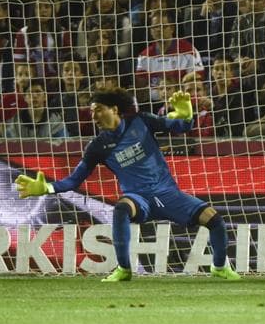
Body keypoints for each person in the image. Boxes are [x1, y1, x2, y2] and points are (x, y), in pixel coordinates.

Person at [15, 87, 241, 281]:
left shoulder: (140, 121)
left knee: (215, 221)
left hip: (168, 194)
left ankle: (219, 267)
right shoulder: (97, 146)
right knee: (121, 209)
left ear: (114, 109)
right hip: (138, 198)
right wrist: (48, 188)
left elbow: (179, 127)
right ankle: (123, 269)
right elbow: (75, 179)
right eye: (92, 111)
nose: (93, 115)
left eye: (98, 109)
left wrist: (186, 114)